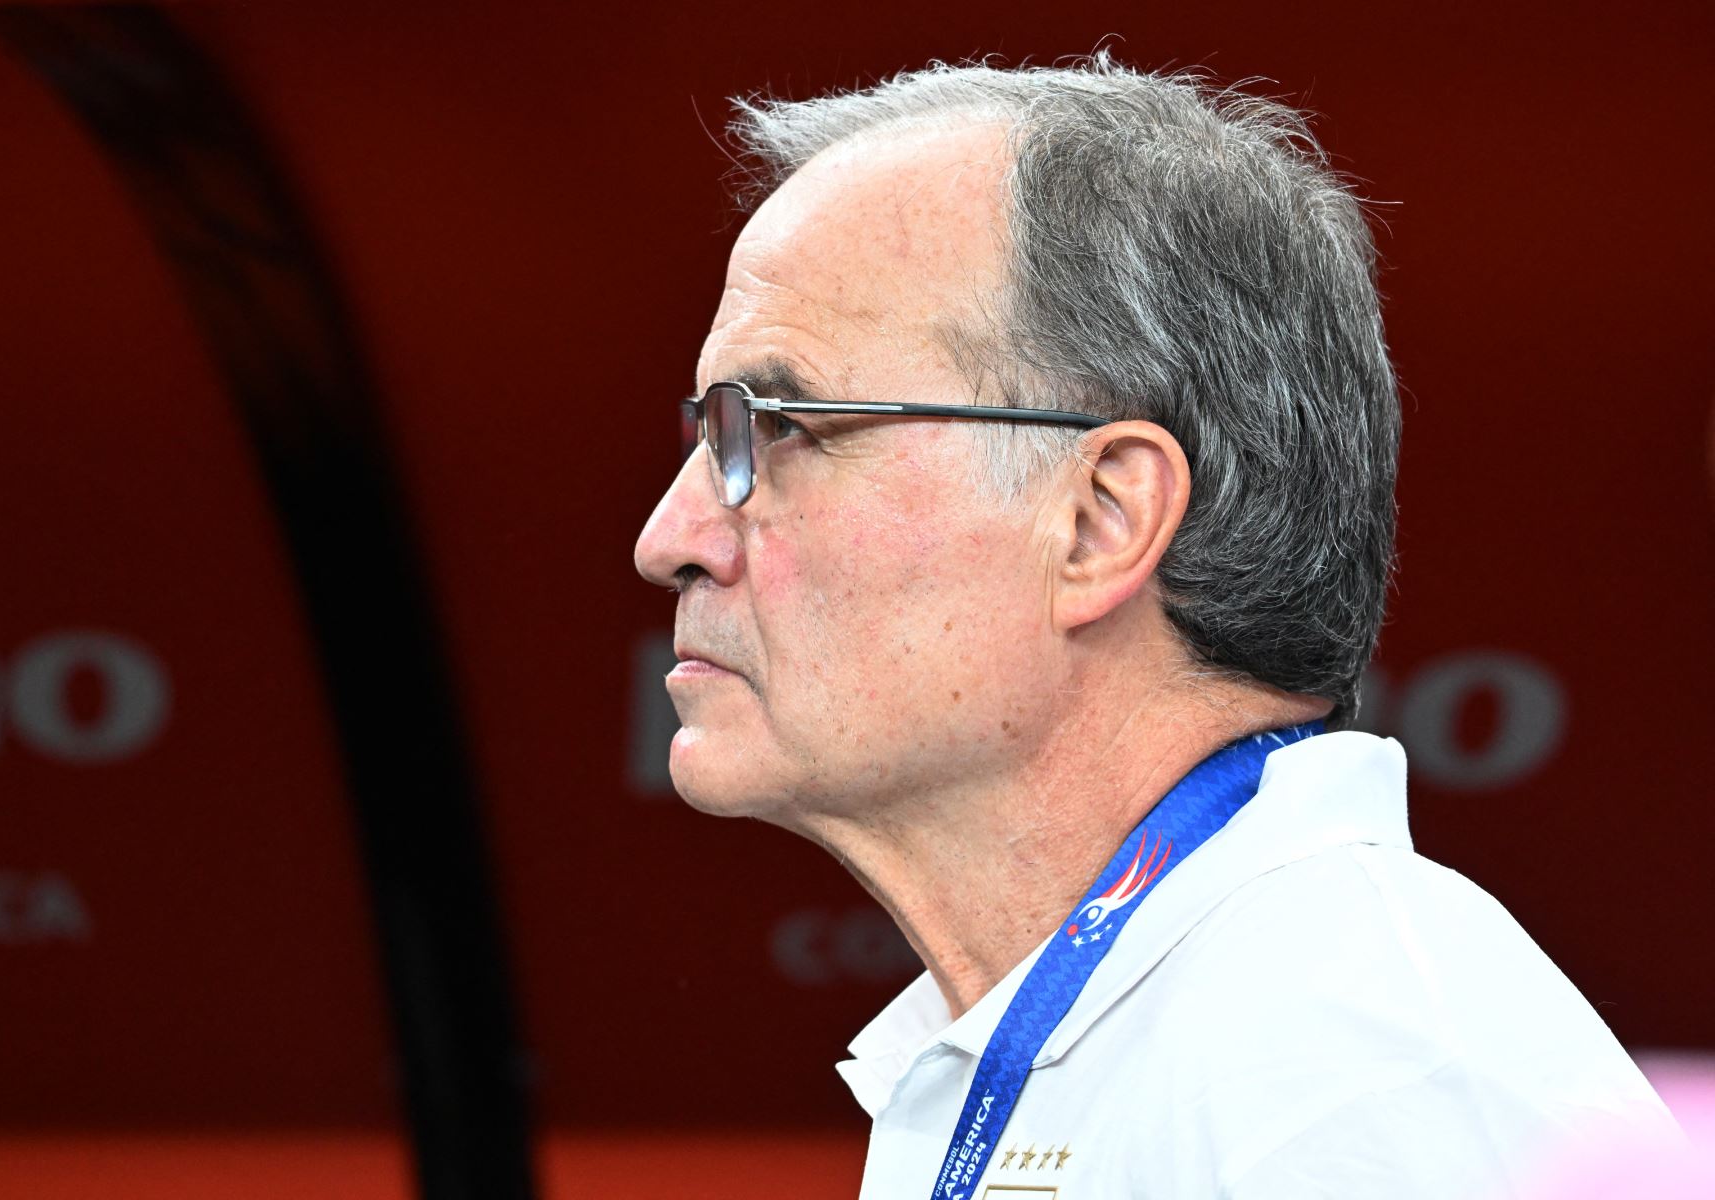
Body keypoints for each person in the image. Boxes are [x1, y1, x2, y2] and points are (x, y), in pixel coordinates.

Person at [633, 55, 1675, 1199]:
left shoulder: (1359, 1080)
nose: (671, 535)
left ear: (1098, 520)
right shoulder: (1194, 1030)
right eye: (703, 436)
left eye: (775, 429)